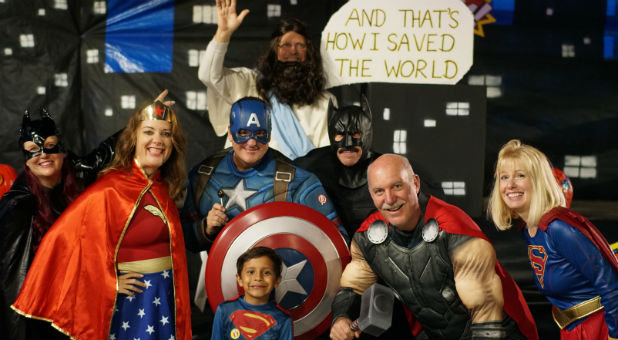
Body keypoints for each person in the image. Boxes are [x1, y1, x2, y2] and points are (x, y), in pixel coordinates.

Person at [11, 96, 192, 340]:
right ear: (133, 138)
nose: (158, 140)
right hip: (129, 308)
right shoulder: (110, 189)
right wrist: (108, 281)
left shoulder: (162, 187)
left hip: (164, 302)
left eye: (166, 133)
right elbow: (61, 245)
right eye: (148, 131)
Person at [330, 154, 538, 340]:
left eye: (397, 186)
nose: (389, 199)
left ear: (416, 183)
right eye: (379, 191)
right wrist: (340, 318)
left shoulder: (455, 231)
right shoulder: (368, 238)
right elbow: (351, 287)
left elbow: (485, 312)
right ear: (371, 194)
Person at [0, 108, 118, 340]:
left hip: (78, 304)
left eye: (50, 146)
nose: (43, 155)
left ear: (62, 150)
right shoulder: (17, 206)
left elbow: (105, 154)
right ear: (25, 158)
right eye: (33, 150)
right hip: (40, 315)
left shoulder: (74, 176)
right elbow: (10, 281)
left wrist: (143, 121)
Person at [487, 139, 618, 340]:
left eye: (520, 175)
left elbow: (611, 284)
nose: (510, 184)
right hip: (573, 328)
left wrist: (614, 335)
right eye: (504, 177)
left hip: (600, 327)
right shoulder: (530, 228)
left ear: (539, 181)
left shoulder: (558, 227)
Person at [182, 96, 347, 254]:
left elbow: (337, 240)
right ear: (230, 133)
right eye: (243, 133)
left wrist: (294, 243)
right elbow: (178, 238)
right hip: (223, 279)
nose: (252, 142)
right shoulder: (204, 176)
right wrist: (205, 229)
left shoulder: (297, 181)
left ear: (269, 134)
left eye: (260, 133)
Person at [198, 0, 334, 159]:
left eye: (300, 45)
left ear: (309, 53)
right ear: (274, 51)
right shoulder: (250, 83)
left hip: (297, 181)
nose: (293, 51)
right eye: (286, 45)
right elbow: (208, 75)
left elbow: (324, 161)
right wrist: (223, 34)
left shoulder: (325, 102)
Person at [295, 98, 444, 238]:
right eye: (340, 135)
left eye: (356, 134)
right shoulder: (311, 166)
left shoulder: (391, 169)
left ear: (368, 134)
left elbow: (438, 213)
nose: (347, 143)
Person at [211, 246, 293, 340]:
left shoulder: (283, 319)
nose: (258, 277)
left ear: (277, 281)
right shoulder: (224, 310)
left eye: (266, 273)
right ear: (240, 279)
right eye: (251, 272)